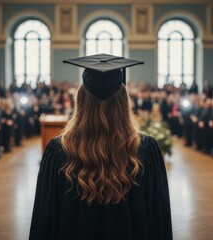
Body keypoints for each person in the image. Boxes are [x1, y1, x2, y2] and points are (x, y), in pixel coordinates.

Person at [30, 54, 172, 240]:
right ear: (123, 102)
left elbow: (45, 221)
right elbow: (158, 219)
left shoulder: (58, 151)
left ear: (80, 101)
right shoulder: (145, 149)